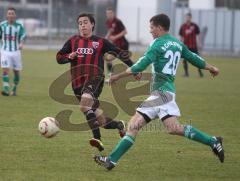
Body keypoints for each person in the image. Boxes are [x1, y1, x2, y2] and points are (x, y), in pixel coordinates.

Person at [94, 14, 224, 170]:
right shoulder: (177, 43)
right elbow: (193, 57)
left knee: (134, 125)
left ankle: (111, 160)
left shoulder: (157, 43)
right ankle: (213, 141)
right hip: (166, 93)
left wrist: (118, 76)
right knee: (172, 128)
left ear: (160, 27)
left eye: (152, 28)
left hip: (161, 94)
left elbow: (142, 63)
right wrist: (211, 67)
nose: (150, 31)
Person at [56, 13, 140, 152]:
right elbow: (59, 57)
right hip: (77, 84)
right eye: (80, 23)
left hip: (95, 78)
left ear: (92, 24)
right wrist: (68, 57)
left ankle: (98, 139)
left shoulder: (100, 42)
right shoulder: (73, 41)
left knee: (84, 105)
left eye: (85, 22)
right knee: (100, 120)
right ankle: (120, 125)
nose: (82, 25)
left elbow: (119, 52)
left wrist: (135, 69)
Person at [0, 7, 26, 96]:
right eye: (9, 13)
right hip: (5, 51)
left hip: (16, 52)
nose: (11, 15)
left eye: (12, 13)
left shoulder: (19, 25)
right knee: (5, 70)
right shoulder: (2, 25)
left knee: (16, 72)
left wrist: (21, 43)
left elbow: (23, 36)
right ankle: (6, 90)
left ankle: (14, 90)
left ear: (15, 15)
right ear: (6, 15)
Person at [104, 7, 129, 82]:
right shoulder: (108, 22)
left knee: (127, 61)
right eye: (107, 13)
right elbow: (110, 31)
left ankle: (139, 72)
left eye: (110, 13)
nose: (109, 15)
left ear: (113, 13)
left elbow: (125, 32)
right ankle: (111, 77)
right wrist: (105, 39)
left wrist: (115, 37)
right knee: (108, 59)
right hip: (116, 45)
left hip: (123, 44)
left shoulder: (118, 21)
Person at [179, 12, 203, 77]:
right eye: (186, 17)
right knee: (184, 60)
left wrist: (200, 43)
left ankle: (200, 72)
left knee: (197, 59)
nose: (187, 18)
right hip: (186, 46)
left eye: (189, 17)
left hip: (193, 46)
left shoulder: (194, 26)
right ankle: (186, 73)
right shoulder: (183, 26)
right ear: (185, 17)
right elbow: (181, 37)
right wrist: (180, 45)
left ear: (191, 17)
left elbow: (199, 35)